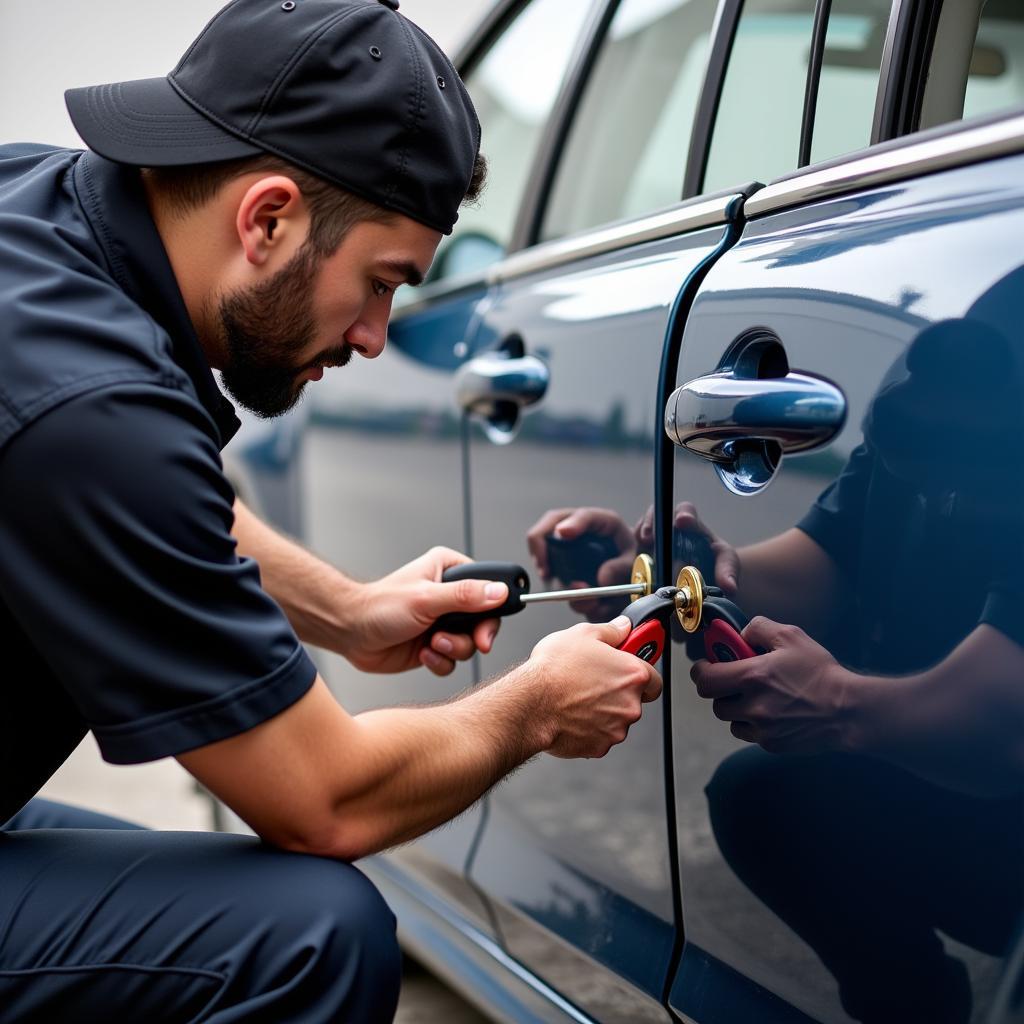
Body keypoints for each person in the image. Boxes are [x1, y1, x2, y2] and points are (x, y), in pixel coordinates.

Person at [0, 2, 662, 1020]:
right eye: (380, 282)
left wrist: (347, 611)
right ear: (266, 218)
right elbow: (325, 801)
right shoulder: (95, 410)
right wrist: (529, 708)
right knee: (309, 933)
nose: (373, 337)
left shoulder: (39, 214)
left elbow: (151, 501)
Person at [529, 300, 1024, 1022]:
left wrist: (844, 708)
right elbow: (824, 566)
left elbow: (1007, 727)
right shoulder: (920, 402)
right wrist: (669, 572)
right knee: (765, 799)